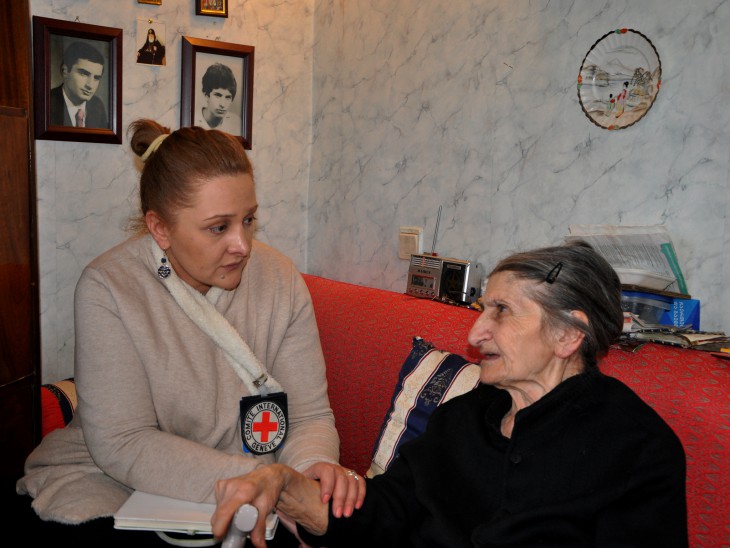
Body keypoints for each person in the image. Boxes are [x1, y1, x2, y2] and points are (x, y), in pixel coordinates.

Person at [14, 119, 364, 545]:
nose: (242, 244)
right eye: (219, 227)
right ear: (160, 229)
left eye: (249, 220)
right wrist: (262, 478)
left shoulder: (280, 279)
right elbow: (123, 441)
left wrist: (311, 469)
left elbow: (309, 415)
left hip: (258, 482)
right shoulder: (109, 286)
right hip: (119, 476)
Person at [211, 240, 688, 547]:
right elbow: (385, 510)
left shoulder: (636, 449)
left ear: (568, 335)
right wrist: (287, 487)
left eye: (501, 311)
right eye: (483, 309)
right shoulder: (463, 416)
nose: (476, 332)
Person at [50, 41, 108, 129]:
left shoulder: (97, 106)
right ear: (65, 71)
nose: (90, 85)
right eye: (84, 74)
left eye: (96, 78)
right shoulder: (47, 103)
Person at [195, 63, 240, 135]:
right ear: (206, 95)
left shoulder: (235, 122)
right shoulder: (193, 120)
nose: (222, 104)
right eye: (218, 95)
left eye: (228, 97)